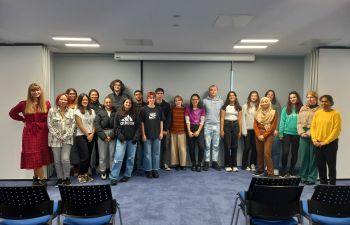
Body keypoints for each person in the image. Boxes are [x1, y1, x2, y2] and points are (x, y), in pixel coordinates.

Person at [9, 83, 53, 185]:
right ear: (30, 92)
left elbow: (50, 117)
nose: (36, 92)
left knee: (39, 156)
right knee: (34, 156)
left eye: (38, 90)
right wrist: (22, 120)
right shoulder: (23, 104)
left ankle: (35, 178)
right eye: (33, 90)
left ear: (40, 91)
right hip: (30, 133)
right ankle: (43, 180)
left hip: (43, 132)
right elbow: (12, 113)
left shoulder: (46, 103)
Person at [311, 95, 341, 185]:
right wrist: (314, 140)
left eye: (326, 101)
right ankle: (323, 184)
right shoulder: (317, 113)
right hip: (317, 143)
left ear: (331, 103)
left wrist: (325, 142)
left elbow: (336, 130)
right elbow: (313, 127)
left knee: (331, 166)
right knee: (321, 166)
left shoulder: (335, 114)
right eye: (322, 101)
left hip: (330, 144)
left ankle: (332, 185)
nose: (324, 103)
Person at [110, 97, 140, 185]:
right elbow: (116, 128)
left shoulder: (135, 114)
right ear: (124, 103)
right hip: (121, 140)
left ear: (131, 105)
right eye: (126, 102)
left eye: (130, 103)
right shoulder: (118, 113)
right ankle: (114, 177)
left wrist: (136, 137)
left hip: (132, 140)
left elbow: (138, 127)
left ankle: (127, 174)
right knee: (118, 158)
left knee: (131, 158)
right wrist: (121, 137)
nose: (128, 104)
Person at [48, 93, 75, 186]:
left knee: (65, 159)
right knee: (57, 160)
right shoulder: (52, 110)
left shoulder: (71, 111)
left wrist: (65, 136)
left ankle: (67, 178)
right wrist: (58, 136)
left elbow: (73, 126)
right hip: (55, 139)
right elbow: (50, 125)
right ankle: (60, 178)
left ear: (68, 101)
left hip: (67, 139)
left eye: (65, 100)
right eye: (61, 99)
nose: (63, 101)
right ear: (58, 100)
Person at [297, 91, 320, 185]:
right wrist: (301, 132)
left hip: (315, 134)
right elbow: (298, 122)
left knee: (313, 157)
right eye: (308, 97)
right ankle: (303, 176)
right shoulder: (302, 108)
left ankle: (311, 178)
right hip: (302, 134)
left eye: (312, 97)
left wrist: (309, 133)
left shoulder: (320, 110)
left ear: (316, 98)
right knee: (303, 156)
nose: (309, 99)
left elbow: (319, 124)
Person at [140, 92, 164, 178]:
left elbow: (161, 121)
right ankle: (148, 170)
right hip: (147, 135)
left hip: (157, 134)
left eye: (153, 98)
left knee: (156, 153)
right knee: (147, 153)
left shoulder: (159, 109)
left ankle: (155, 169)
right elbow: (142, 123)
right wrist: (143, 134)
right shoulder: (143, 109)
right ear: (147, 99)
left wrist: (161, 132)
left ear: (155, 99)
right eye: (149, 98)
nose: (151, 99)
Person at [279, 91, 303, 177]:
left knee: (294, 153)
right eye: (291, 98)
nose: (292, 99)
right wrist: (280, 133)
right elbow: (282, 121)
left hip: (297, 134)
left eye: (294, 97)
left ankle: (292, 171)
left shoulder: (302, 109)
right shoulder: (285, 109)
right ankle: (283, 170)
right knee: (285, 152)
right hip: (286, 133)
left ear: (297, 98)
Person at [75, 93, 96, 183]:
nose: (85, 101)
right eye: (83, 100)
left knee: (89, 156)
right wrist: (88, 135)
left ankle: (86, 174)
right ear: (80, 101)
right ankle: (80, 174)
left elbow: (95, 123)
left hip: (91, 135)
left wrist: (92, 134)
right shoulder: (77, 112)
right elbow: (80, 125)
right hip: (81, 136)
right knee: (85, 156)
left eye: (86, 100)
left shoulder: (92, 111)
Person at [254, 97, 277, 176]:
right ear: (260, 103)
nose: (264, 103)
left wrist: (264, 135)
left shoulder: (273, 112)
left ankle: (271, 173)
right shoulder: (257, 113)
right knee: (259, 153)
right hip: (258, 134)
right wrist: (258, 135)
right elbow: (255, 126)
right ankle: (260, 170)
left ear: (269, 103)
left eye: (266, 101)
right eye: (262, 102)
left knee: (267, 153)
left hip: (268, 134)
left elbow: (273, 126)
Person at [203, 85, 224, 171]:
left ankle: (214, 162)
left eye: (215, 90)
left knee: (216, 145)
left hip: (217, 125)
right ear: (209, 91)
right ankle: (207, 162)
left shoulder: (221, 101)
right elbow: (202, 113)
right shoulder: (204, 101)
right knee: (207, 145)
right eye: (211, 90)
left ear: (217, 91)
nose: (213, 91)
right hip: (207, 125)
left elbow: (222, 115)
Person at [94, 96, 116, 180]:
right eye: (106, 102)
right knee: (102, 156)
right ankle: (102, 171)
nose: (108, 104)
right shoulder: (100, 112)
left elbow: (117, 125)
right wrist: (103, 136)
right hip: (102, 134)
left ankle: (111, 171)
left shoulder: (115, 112)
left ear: (112, 103)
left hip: (112, 134)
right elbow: (97, 124)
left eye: (110, 102)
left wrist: (111, 136)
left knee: (112, 154)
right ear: (104, 103)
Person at [220, 91, 242, 172]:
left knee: (235, 146)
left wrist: (240, 131)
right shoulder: (224, 106)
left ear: (235, 97)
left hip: (236, 126)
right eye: (230, 95)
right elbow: (222, 118)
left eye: (233, 95)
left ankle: (234, 165)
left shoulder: (239, 107)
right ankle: (227, 165)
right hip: (226, 125)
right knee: (227, 146)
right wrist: (221, 130)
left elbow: (240, 119)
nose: (232, 96)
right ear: (228, 97)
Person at [185, 94, 206, 172]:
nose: (195, 101)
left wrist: (198, 131)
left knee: (201, 147)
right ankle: (193, 163)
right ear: (191, 100)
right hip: (190, 127)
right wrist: (189, 131)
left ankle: (199, 163)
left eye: (196, 99)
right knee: (191, 148)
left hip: (199, 128)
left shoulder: (202, 109)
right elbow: (187, 121)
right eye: (193, 99)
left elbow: (202, 121)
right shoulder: (188, 109)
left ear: (199, 100)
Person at [241, 91, 259, 171]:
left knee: (255, 148)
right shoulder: (245, 106)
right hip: (247, 130)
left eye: (255, 96)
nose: (254, 97)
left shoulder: (259, 106)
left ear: (257, 97)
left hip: (255, 131)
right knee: (247, 147)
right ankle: (244, 165)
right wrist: (243, 130)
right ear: (249, 97)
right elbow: (243, 119)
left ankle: (252, 164)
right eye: (252, 96)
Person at [265, 90, 282, 175]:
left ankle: (275, 168)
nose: (270, 95)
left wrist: (277, 129)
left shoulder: (276, 104)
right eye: (268, 94)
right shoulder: (263, 104)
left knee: (275, 150)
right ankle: (268, 166)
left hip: (274, 130)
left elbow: (279, 117)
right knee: (267, 150)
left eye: (272, 94)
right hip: (265, 131)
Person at [155, 88, 171, 170]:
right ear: (155, 94)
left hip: (164, 130)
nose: (159, 95)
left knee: (165, 147)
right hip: (153, 130)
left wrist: (165, 129)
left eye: (161, 93)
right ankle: (155, 164)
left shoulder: (167, 105)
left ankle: (164, 163)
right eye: (158, 93)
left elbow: (168, 118)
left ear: (163, 95)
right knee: (155, 148)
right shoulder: (152, 104)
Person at [170, 95, 187, 170]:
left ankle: (182, 164)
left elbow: (187, 121)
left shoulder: (185, 109)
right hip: (173, 131)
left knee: (182, 149)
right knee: (174, 149)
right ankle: (176, 164)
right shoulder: (172, 109)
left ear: (181, 101)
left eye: (179, 100)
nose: (177, 102)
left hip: (182, 131)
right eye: (176, 100)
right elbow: (170, 120)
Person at [89, 88, 103, 173]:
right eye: (92, 95)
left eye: (96, 94)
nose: (94, 96)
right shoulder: (87, 106)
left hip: (99, 131)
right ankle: (90, 167)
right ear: (89, 96)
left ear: (98, 96)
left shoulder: (101, 106)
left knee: (98, 150)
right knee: (89, 150)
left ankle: (97, 166)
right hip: (89, 131)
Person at [133, 90, 147, 171]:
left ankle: (145, 167)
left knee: (145, 150)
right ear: (134, 96)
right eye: (136, 94)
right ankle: (134, 167)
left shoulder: (146, 105)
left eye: (139, 94)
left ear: (141, 96)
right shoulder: (132, 105)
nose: (138, 96)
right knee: (134, 150)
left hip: (145, 130)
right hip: (134, 131)